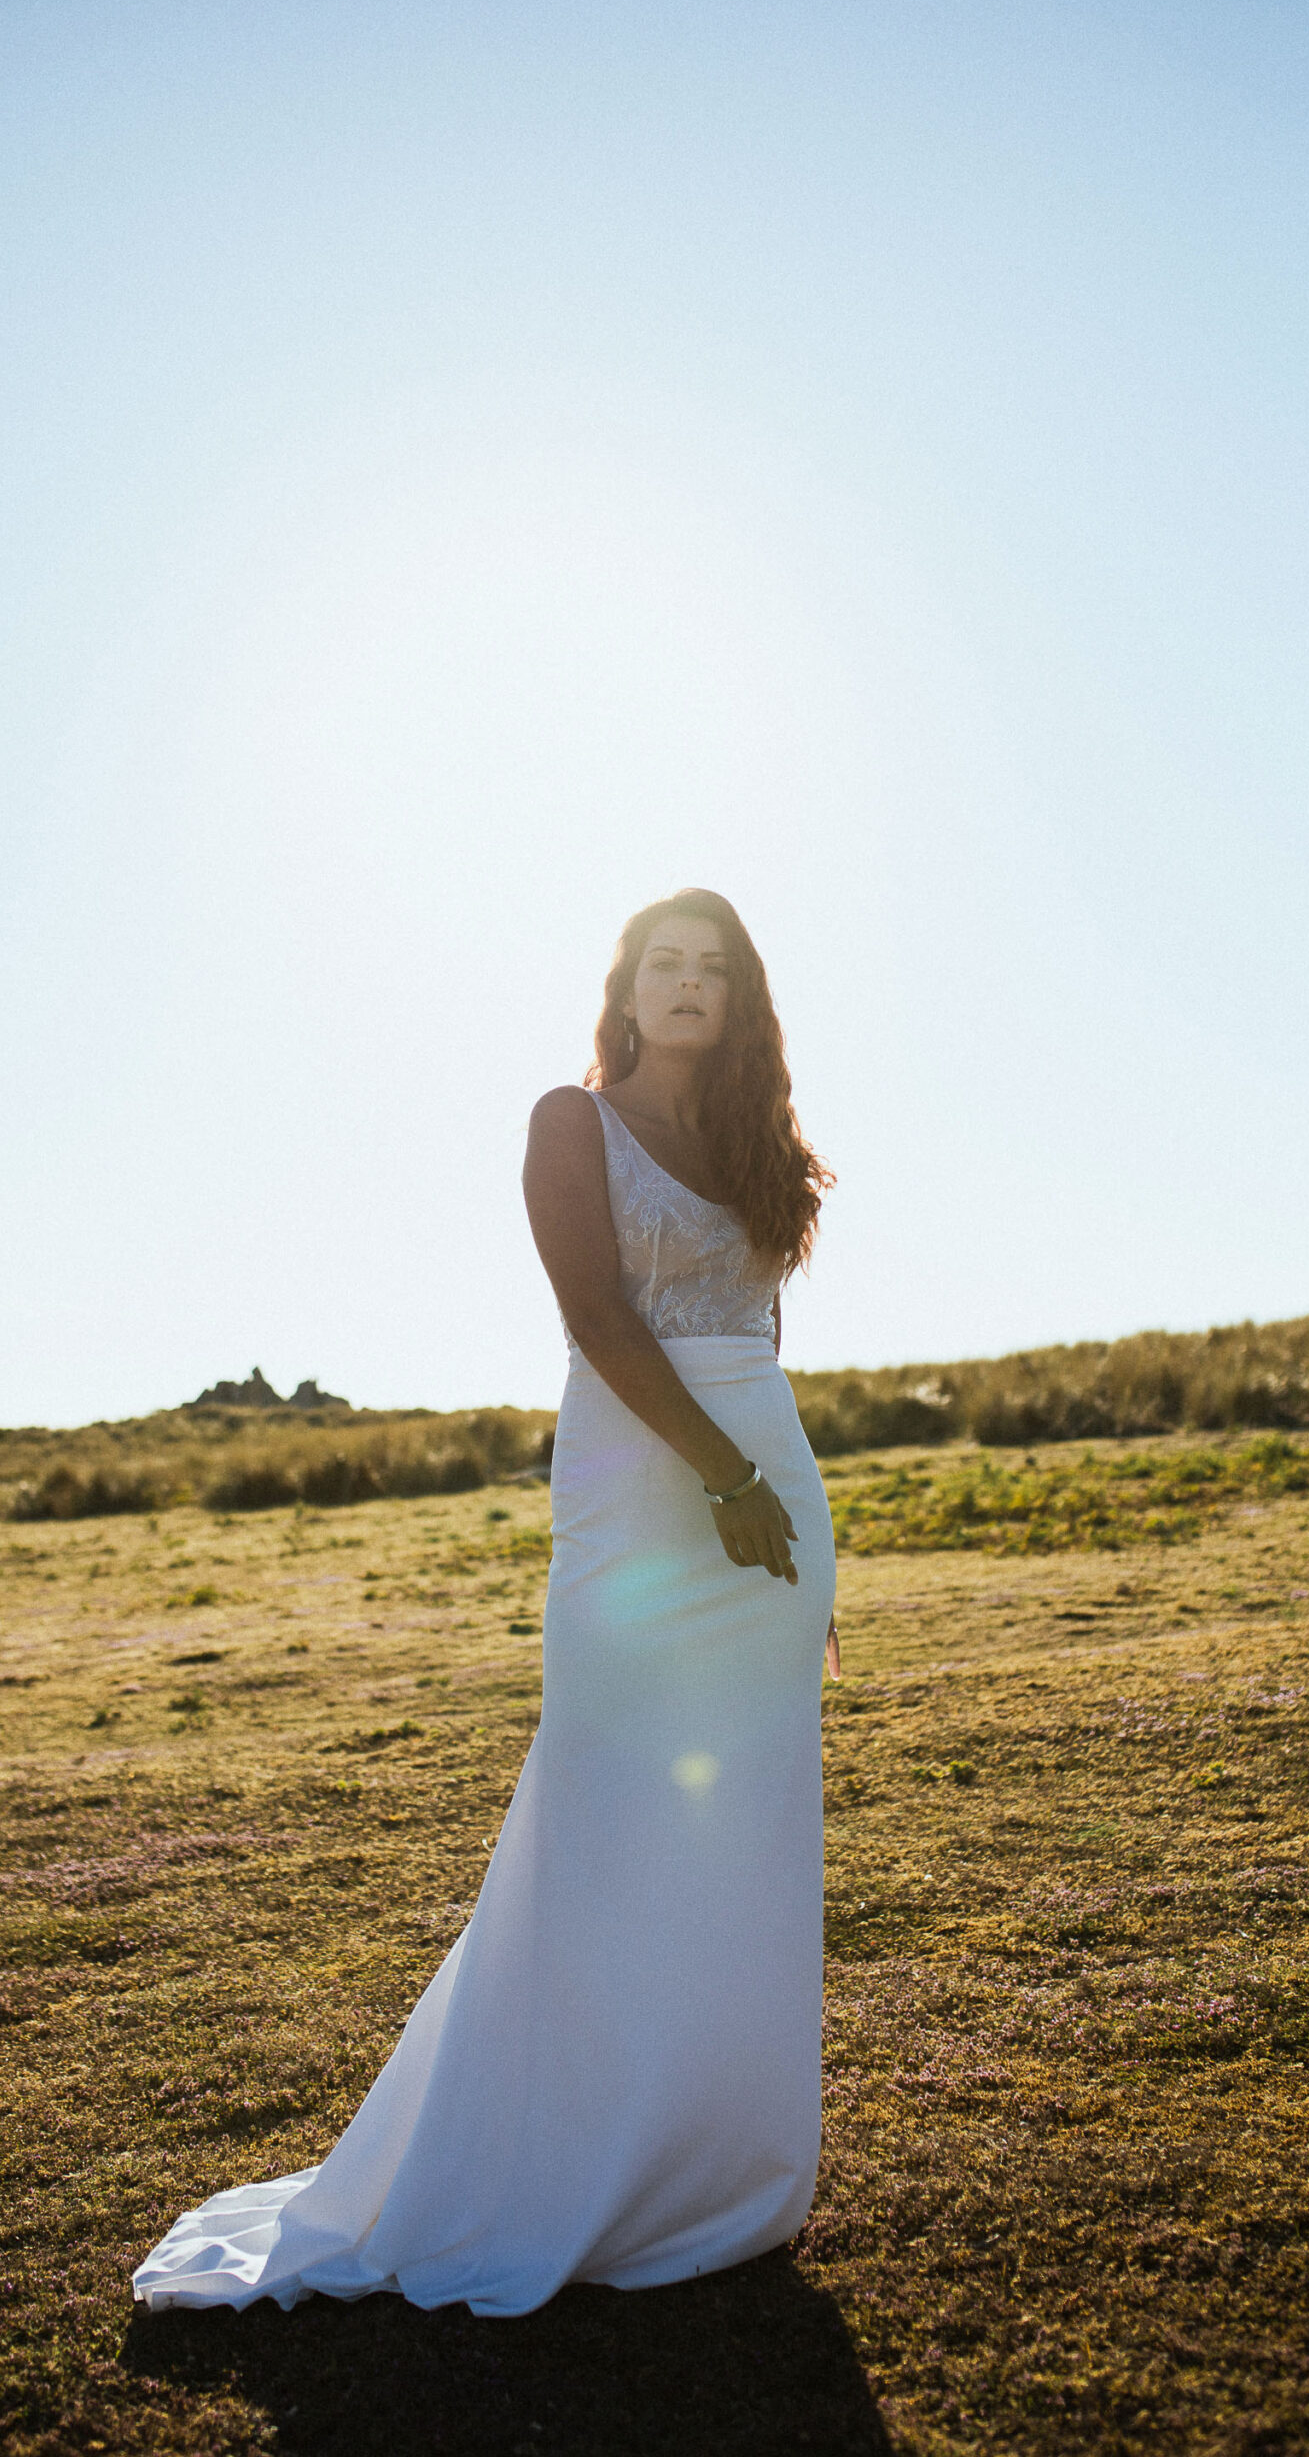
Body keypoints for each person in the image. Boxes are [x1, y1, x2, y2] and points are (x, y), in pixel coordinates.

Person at [131, 888, 838, 2319]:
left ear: (741, 997)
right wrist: (720, 1479)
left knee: (743, 1833)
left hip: (771, 1505)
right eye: (665, 965)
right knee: (604, 1816)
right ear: (627, 992)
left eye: (714, 969)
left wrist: (800, 1535)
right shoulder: (567, 1124)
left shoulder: (761, 1147)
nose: (688, 987)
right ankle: (566, 2157)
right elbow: (597, 1317)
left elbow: (764, 1337)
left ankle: (714, 2165)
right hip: (647, 1495)